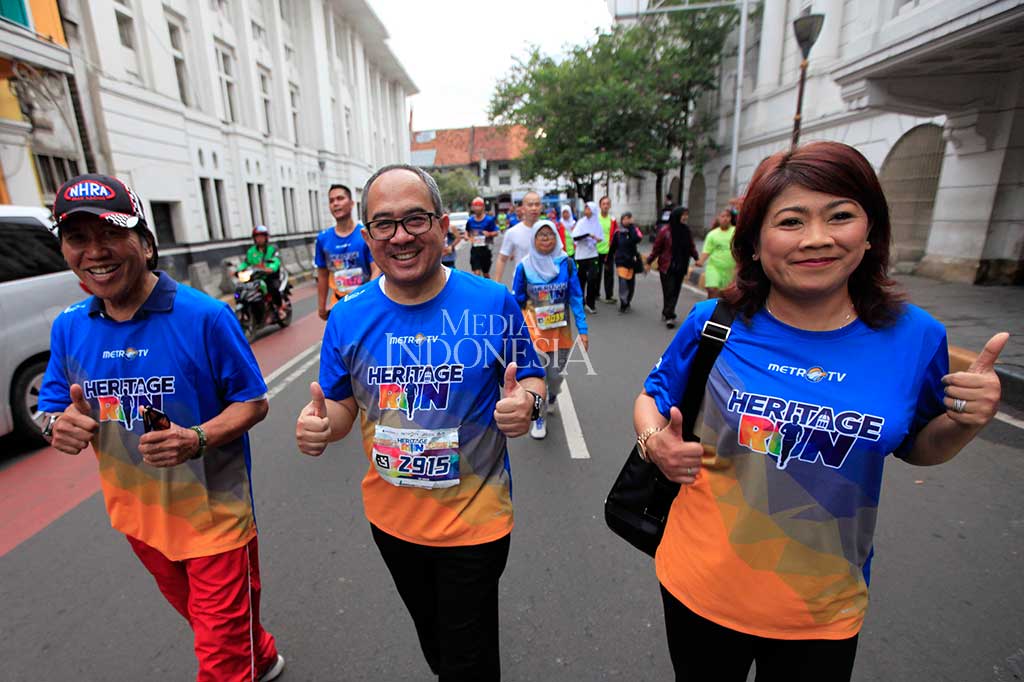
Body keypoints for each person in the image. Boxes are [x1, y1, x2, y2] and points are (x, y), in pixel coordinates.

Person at [632, 141, 1008, 682]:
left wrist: (966, 422)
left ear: (870, 230)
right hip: (701, 586)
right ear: (756, 244)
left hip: (824, 607)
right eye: (790, 221)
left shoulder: (915, 337)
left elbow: (918, 446)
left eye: (840, 216)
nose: (817, 238)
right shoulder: (716, 323)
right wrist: (655, 444)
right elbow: (652, 397)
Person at [295, 164, 546, 681]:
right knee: (436, 639)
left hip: (476, 519)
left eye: (415, 219)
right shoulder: (348, 315)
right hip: (392, 521)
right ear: (367, 238)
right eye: (384, 224)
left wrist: (527, 403)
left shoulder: (490, 303)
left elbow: (535, 379)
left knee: (467, 660)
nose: (401, 236)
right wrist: (323, 425)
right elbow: (341, 406)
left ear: (442, 226)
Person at [38, 173, 285, 682]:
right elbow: (54, 408)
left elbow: (254, 402)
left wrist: (196, 438)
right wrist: (57, 427)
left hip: (216, 517)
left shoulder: (206, 317)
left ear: (145, 244)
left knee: (218, 660)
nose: (95, 252)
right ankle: (258, 648)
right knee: (207, 622)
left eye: (110, 233)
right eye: (78, 238)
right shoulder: (69, 326)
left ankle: (244, 654)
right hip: (139, 518)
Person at [512, 219, 588, 439]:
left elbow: (575, 297)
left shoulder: (566, 263)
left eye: (550, 235)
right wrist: (512, 331)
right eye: (541, 235)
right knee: (539, 376)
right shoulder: (524, 266)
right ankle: (539, 418)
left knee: (555, 377)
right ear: (533, 239)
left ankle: (553, 395)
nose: (545, 239)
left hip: (560, 331)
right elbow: (517, 300)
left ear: (556, 237)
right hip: (533, 330)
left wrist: (583, 330)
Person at [315, 183, 380, 321]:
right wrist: (321, 306)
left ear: (351, 203)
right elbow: (322, 274)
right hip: (338, 305)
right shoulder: (323, 238)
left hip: (365, 304)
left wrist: (365, 297)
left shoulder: (365, 234)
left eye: (340, 198)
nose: (335, 203)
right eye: (331, 201)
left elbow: (376, 270)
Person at [647, 206, 698, 328]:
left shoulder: (686, 231)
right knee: (669, 291)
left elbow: (691, 246)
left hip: (681, 265)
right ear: (676, 216)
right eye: (683, 215)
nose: (685, 217)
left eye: (686, 215)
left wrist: (697, 258)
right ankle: (670, 315)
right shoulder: (665, 231)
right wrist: (649, 260)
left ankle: (667, 311)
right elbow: (657, 248)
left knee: (675, 291)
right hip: (667, 266)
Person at [240, 224, 287, 320]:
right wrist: (237, 270)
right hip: (255, 276)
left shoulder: (272, 249)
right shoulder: (251, 251)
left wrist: (270, 268)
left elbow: (276, 261)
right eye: (257, 237)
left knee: (273, 288)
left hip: (270, 276)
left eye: (262, 236)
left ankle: (279, 307)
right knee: (242, 288)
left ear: (266, 238)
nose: (259, 239)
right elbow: (246, 262)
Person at [494, 190, 542, 283]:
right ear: (523, 208)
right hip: (521, 285)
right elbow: (502, 259)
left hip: (545, 285)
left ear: (541, 207)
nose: (534, 208)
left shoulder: (549, 229)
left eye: (537, 204)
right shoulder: (512, 232)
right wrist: (497, 284)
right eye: (530, 205)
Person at [695, 207, 737, 298]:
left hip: (730, 269)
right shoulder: (712, 234)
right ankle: (711, 309)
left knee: (725, 295)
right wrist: (701, 261)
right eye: (723, 216)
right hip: (714, 267)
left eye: (728, 216)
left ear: (731, 218)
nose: (725, 219)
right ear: (718, 218)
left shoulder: (736, 232)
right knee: (712, 290)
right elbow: (707, 250)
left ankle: (720, 310)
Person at [571, 200, 604, 314]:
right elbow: (574, 236)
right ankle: (581, 302)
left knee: (593, 278)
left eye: (588, 208)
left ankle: (591, 303)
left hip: (593, 254)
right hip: (581, 255)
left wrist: (595, 238)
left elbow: (601, 238)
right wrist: (587, 235)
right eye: (585, 208)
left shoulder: (597, 224)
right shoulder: (580, 223)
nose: (586, 211)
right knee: (581, 280)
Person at [612, 211, 644, 313]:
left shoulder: (634, 230)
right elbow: (613, 246)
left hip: (631, 261)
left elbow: (638, 238)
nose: (626, 220)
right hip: (621, 260)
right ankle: (623, 302)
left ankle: (628, 299)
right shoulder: (618, 232)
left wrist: (631, 227)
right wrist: (608, 259)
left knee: (630, 284)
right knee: (623, 282)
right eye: (625, 218)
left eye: (628, 218)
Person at [466, 196, 499, 278]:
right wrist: (468, 238)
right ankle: (479, 290)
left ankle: (487, 288)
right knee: (476, 273)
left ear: (483, 207)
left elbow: (496, 232)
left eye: (479, 205)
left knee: (485, 273)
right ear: (472, 208)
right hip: (475, 250)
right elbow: (467, 232)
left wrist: (489, 234)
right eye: (475, 206)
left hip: (486, 249)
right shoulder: (470, 220)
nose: (477, 208)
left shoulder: (489, 220)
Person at [596, 195, 618, 304]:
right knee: (596, 274)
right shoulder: (595, 218)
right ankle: (595, 294)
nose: (605, 206)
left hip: (608, 251)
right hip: (596, 251)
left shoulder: (612, 220)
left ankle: (609, 295)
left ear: (610, 206)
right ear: (600, 205)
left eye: (607, 204)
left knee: (609, 274)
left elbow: (616, 234)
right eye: (603, 204)